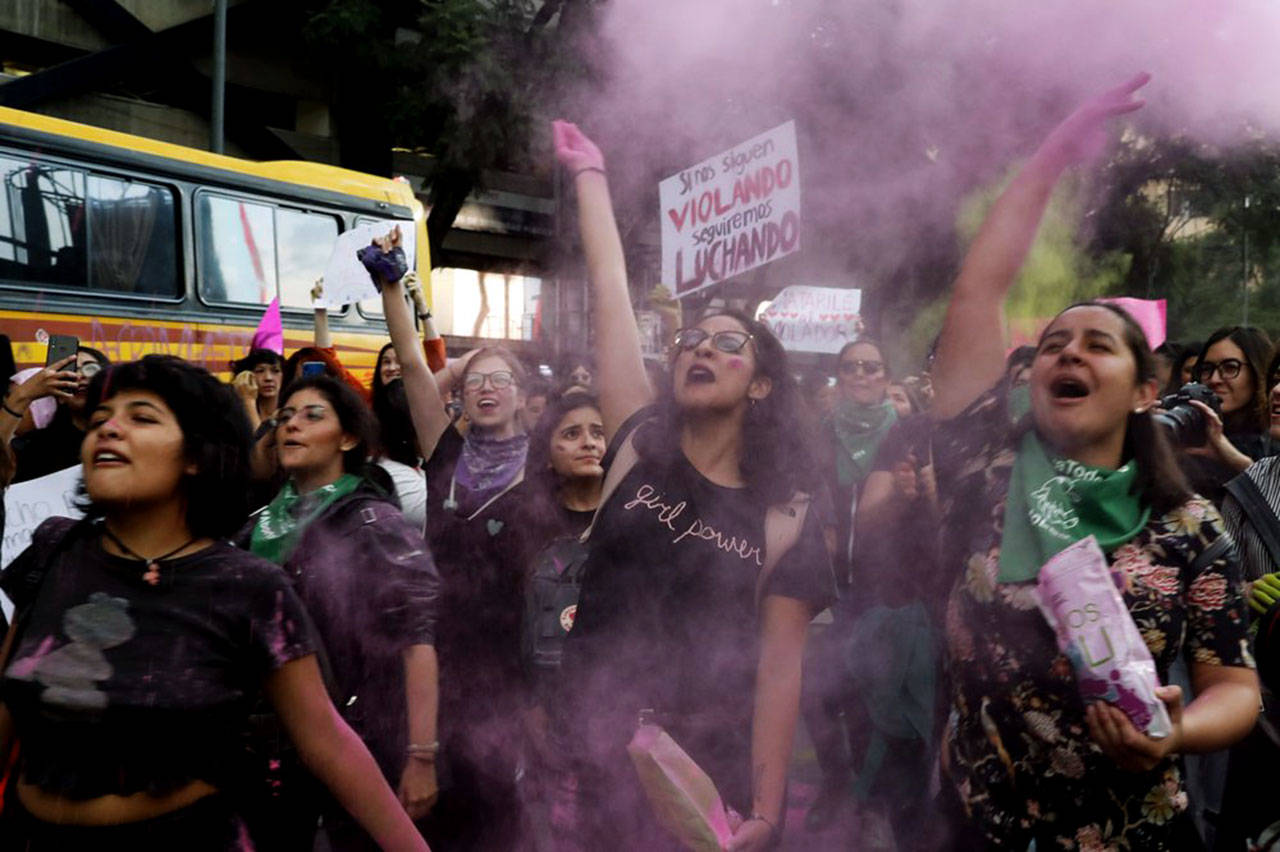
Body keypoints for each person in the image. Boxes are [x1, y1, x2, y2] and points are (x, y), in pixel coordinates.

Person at [930, 75, 1258, 848]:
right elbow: (979, 292)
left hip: (1131, 830)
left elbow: (1236, 688)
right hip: (982, 827)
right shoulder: (985, 468)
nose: (1068, 351)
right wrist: (1054, 152)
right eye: (1052, 344)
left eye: (1096, 344)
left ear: (1147, 390)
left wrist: (1178, 734)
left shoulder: (1187, 525)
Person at [0, 355, 428, 852]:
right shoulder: (55, 552)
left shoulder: (247, 585)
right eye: (99, 420)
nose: (109, 430)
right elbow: (7, 703)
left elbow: (327, 742)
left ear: (197, 455)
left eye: (142, 417)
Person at [552, 120, 836, 851]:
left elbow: (779, 674)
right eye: (690, 340)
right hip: (598, 754)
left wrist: (768, 813)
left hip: (702, 774)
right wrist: (590, 176)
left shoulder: (787, 517)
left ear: (765, 384)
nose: (701, 346)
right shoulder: (638, 449)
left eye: (728, 342)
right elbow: (613, 302)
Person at [370, 233, 531, 850]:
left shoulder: (543, 466)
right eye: (476, 381)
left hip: (511, 660)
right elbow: (412, 367)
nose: (487, 389)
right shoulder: (447, 454)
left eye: (502, 379)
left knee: (500, 806)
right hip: (440, 648)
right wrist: (392, 289)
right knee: (433, 803)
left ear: (523, 396)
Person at [244, 374, 440, 851]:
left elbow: (418, 643)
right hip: (264, 749)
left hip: (355, 740)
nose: (292, 426)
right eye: (285, 416)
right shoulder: (254, 525)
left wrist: (421, 757)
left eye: (313, 416)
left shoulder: (374, 524)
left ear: (348, 438)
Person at [1182, 326, 1276, 504]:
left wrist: (1238, 462)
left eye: (1230, 367)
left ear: (1258, 372)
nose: (1214, 379)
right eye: (1206, 369)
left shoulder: (1274, 441)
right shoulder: (1192, 434)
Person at [10, 346, 110, 483]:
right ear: (59, 396)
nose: (79, 376)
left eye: (90, 368)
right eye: (71, 371)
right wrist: (22, 396)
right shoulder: (34, 449)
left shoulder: (127, 435)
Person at [372, 341, 428, 531]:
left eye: (400, 363)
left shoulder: (415, 467)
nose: (393, 368)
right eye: (386, 362)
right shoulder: (401, 480)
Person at [230, 348, 285, 433]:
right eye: (260, 371)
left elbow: (262, 442)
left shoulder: (288, 413)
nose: (268, 378)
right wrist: (248, 400)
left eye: (275, 371)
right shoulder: (237, 415)